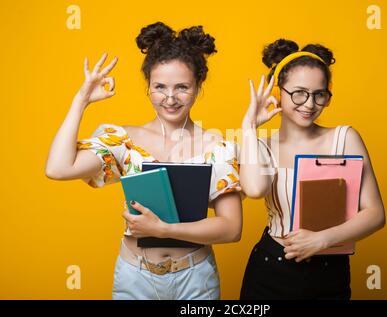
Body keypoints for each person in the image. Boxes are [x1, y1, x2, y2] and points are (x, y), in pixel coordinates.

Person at [45, 22, 243, 300]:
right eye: (159, 86)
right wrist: (81, 100)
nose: (170, 98)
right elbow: (58, 169)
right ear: (148, 87)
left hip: (195, 278)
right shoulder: (124, 141)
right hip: (135, 276)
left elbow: (232, 229)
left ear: (198, 87)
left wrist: (164, 230)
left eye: (182, 87)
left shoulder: (216, 147)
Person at [238, 39, 385, 299]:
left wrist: (323, 239)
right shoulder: (260, 145)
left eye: (319, 94)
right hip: (271, 268)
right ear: (277, 93)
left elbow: (375, 214)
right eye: (299, 92)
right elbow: (255, 188)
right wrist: (248, 127)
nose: (309, 104)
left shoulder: (345, 138)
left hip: (329, 271)